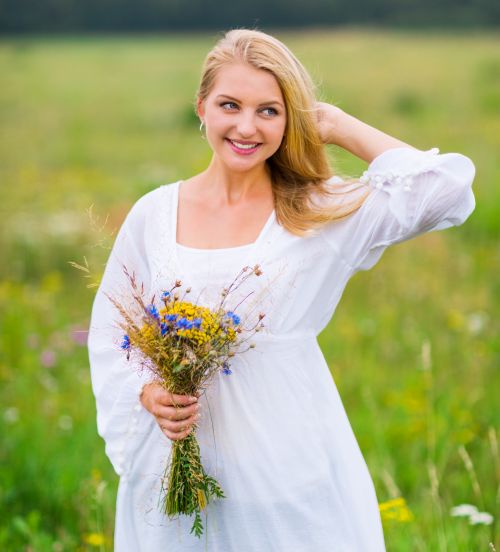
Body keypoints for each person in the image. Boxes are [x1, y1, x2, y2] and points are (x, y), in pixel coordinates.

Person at [87, 28, 476, 551]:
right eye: (230, 105)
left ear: (292, 119)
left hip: (287, 465)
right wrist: (148, 394)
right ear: (201, 107)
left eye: (269, 110)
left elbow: (446, 192)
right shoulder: (155, 213)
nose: (246, 127)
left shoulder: (319, 210)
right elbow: (114, 333)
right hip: (177, 467)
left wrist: (336, 124)